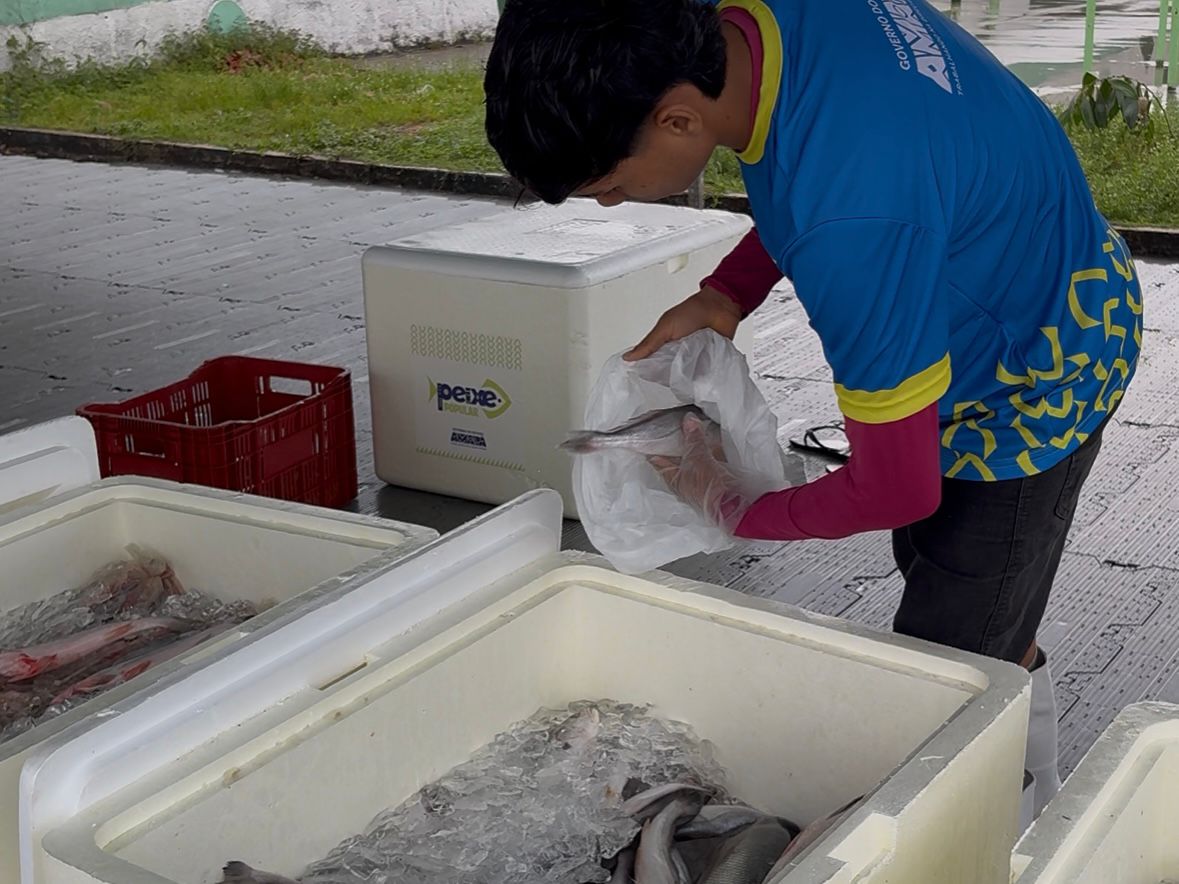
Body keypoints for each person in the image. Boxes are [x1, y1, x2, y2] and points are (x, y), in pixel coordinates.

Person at [483, 0, 1141, 824]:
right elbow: (808, 160)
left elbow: (896, 489)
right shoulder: (762, 26)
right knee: (977, 605)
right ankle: (1031, 771)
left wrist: (734, 506)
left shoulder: (856, 222)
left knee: (945, 683)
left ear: (677, 117)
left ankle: (986, 833)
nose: (612, 205)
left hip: (1034, 383)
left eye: (608, 185)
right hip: (1037, 270)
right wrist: (727, 292)